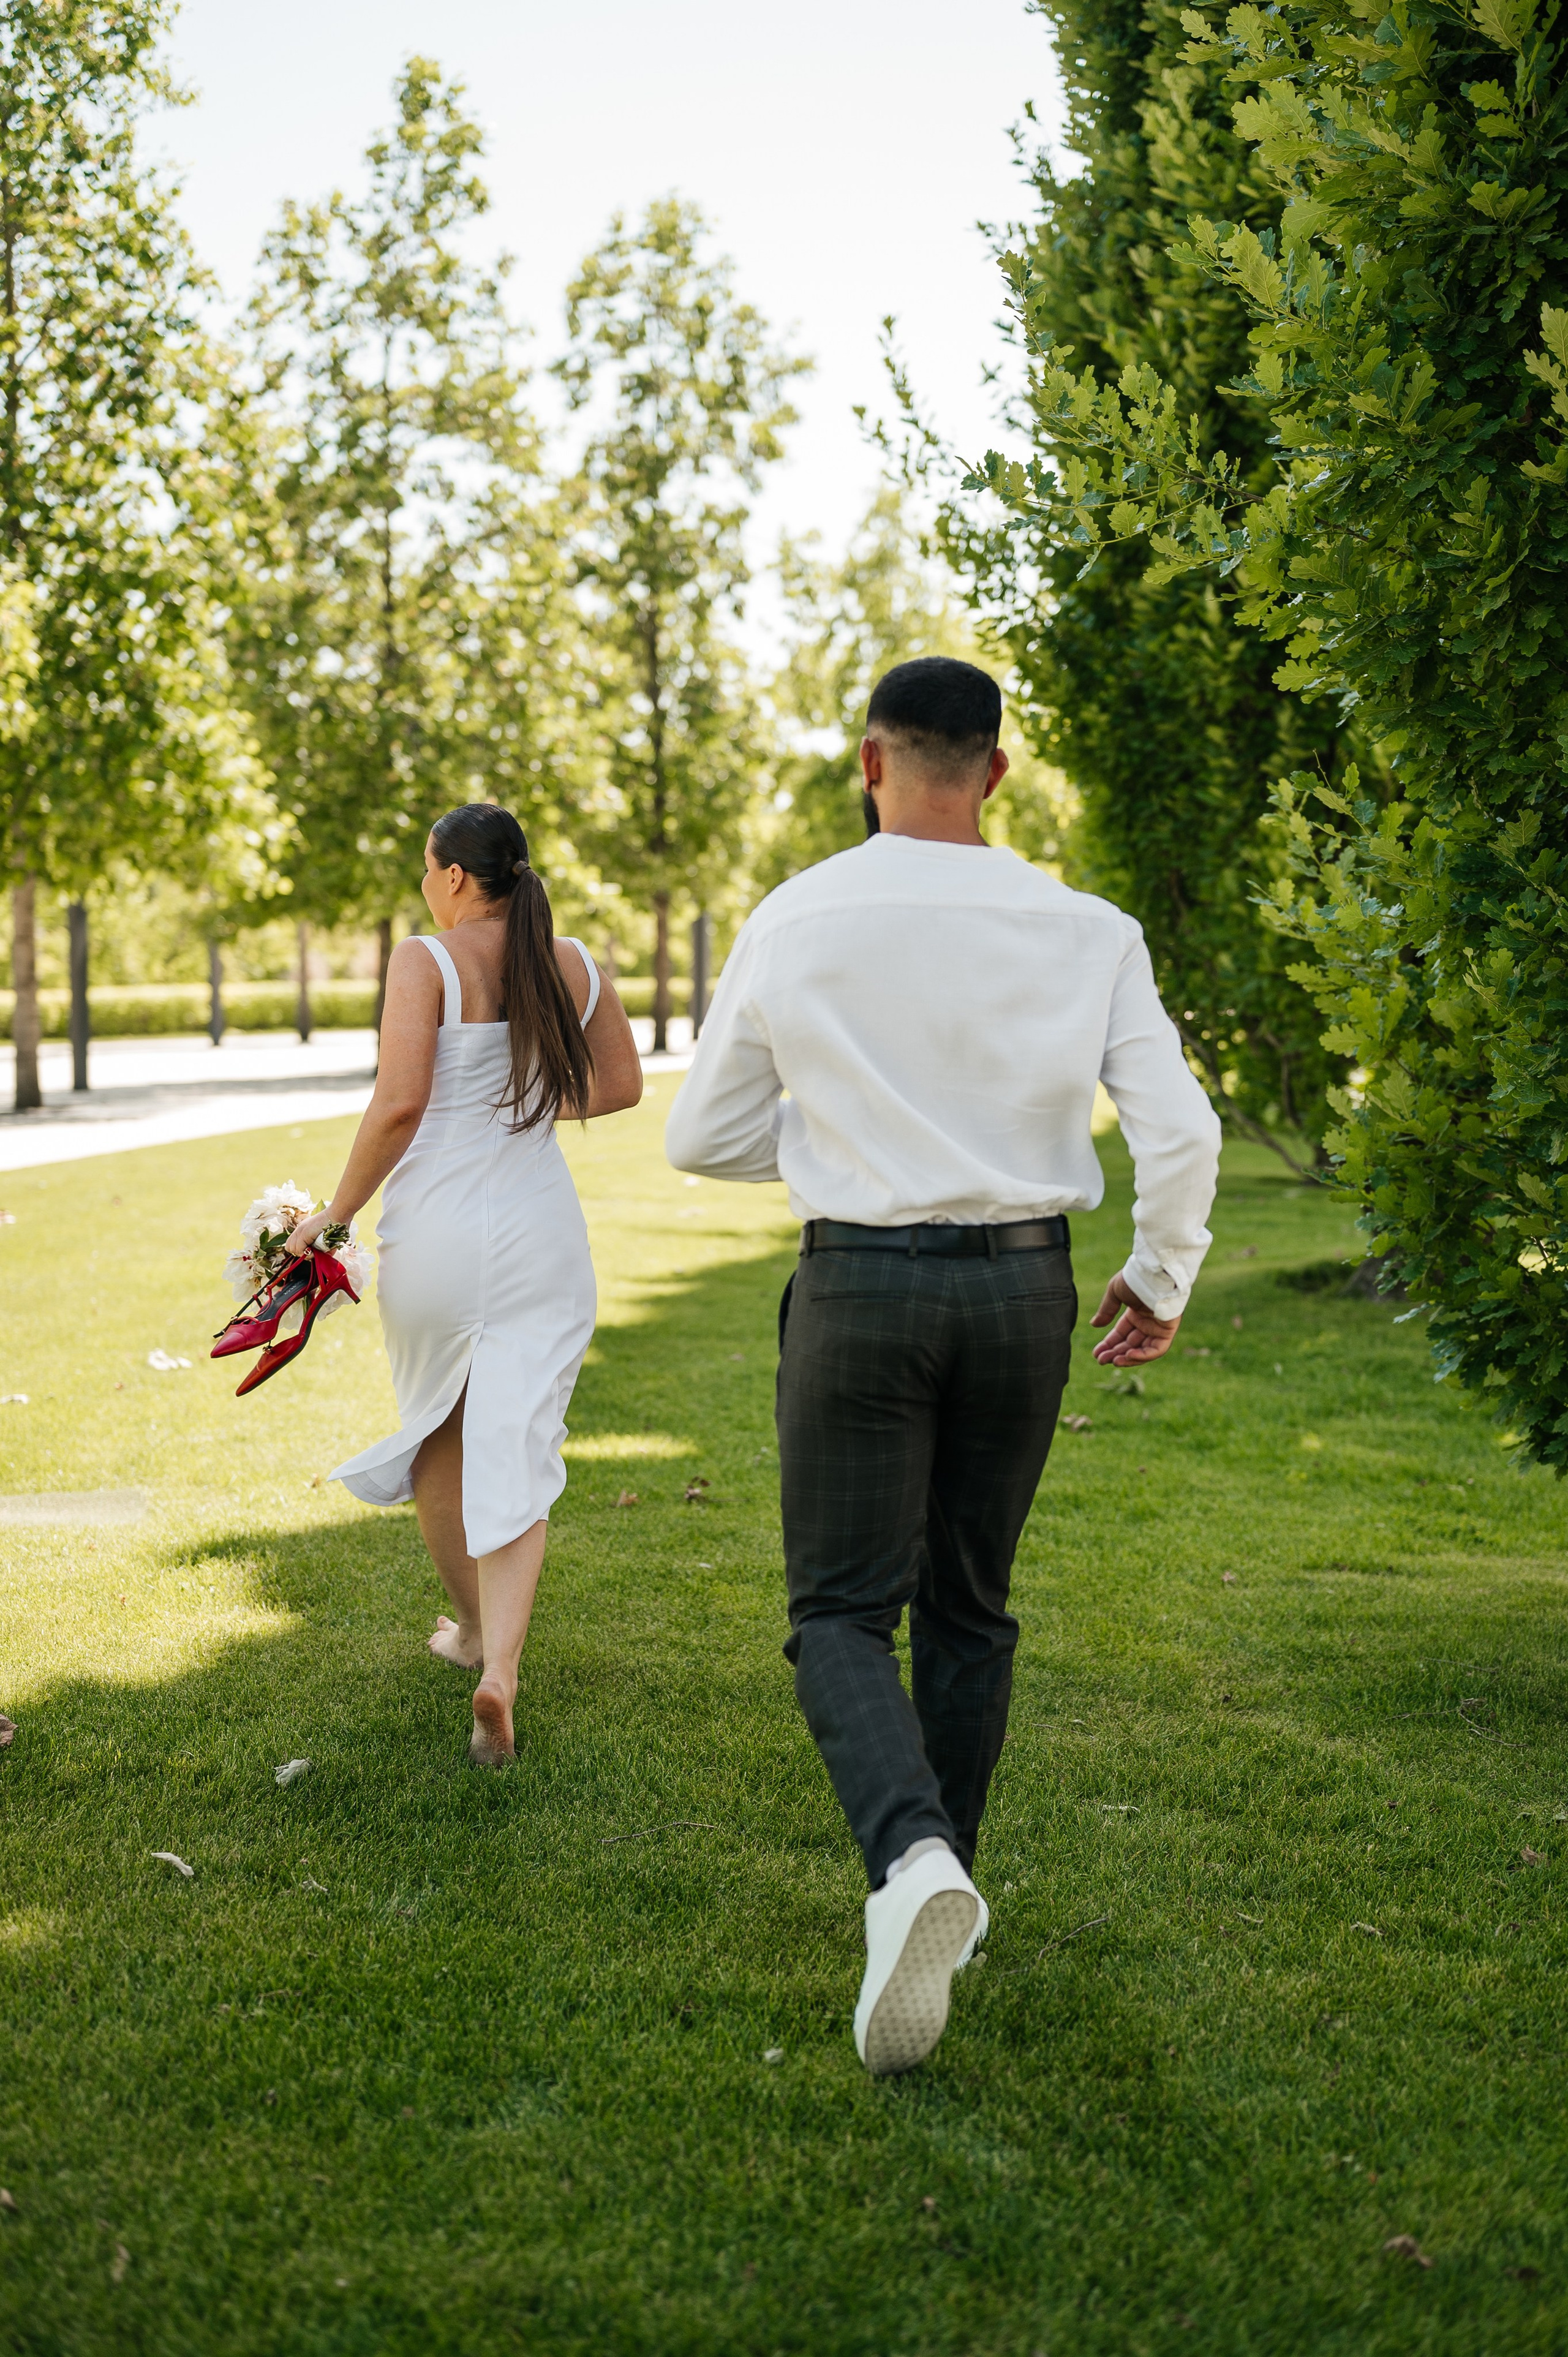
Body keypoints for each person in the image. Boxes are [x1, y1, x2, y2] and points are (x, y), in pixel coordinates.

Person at [665, 657, 1221, 2075]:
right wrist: (1157, 1274)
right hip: (1023, 1290)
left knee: (843, 1611)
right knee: (970, 1605)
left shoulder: (796, 917)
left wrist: (839, 1151)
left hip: (855, 1281)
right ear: (999, 768)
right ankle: (941, 1887)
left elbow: (700, 1137)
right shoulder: (1085, 926)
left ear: (870, 760)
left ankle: (910, 1863)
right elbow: (1182, 1131)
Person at [285, 804, 643, 1764]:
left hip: (438, 1234)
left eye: (425, 869)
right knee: (519, 1447)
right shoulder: (569, 960)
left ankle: (475, 1631)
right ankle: (500, 1671)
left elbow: (400, 1103)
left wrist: (337, 1212)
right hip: (540, 1233)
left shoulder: (424, 960)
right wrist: (524, 1102)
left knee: (438, 1435)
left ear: (451, 877)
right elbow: (622, 1085)